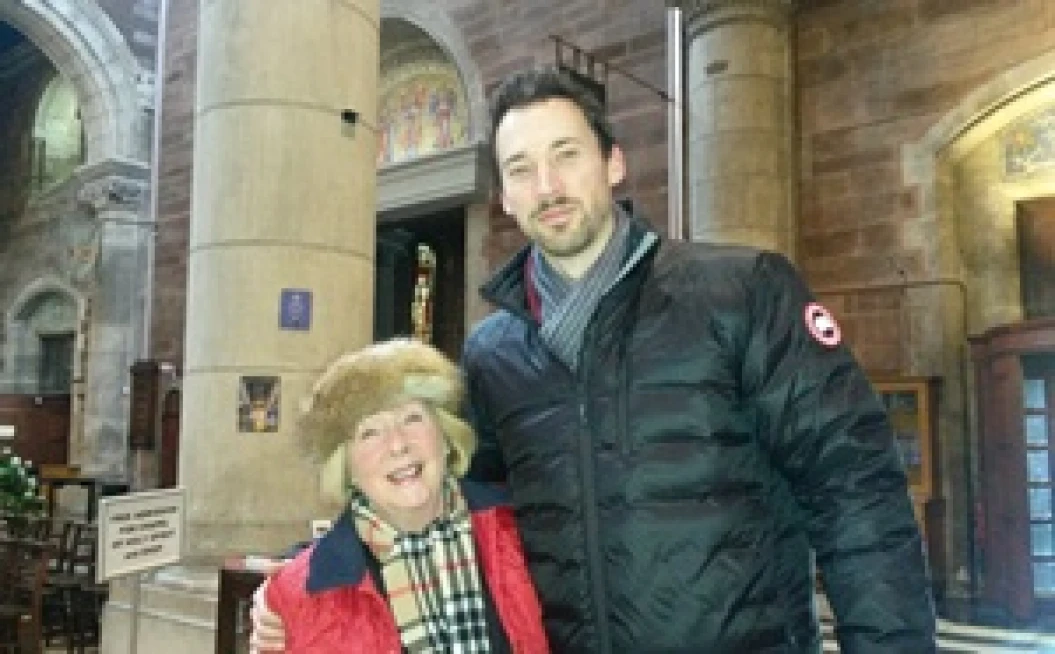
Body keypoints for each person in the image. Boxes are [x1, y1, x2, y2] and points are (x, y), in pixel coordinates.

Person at [254, 67, 937, 653]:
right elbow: (448, 507)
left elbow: (855, 490)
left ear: (612, 163)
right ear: (504, 196)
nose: (547, 185)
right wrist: (309, 576)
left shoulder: (741, 292)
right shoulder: (493, 354)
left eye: (566, 155)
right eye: (521, 169)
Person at [252, 338, 549, 653]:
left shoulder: (528, 534)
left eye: (412, 418)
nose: (398, 445)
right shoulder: (298, 594)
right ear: (346, 467)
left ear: (445, 436)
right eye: (370, 433)